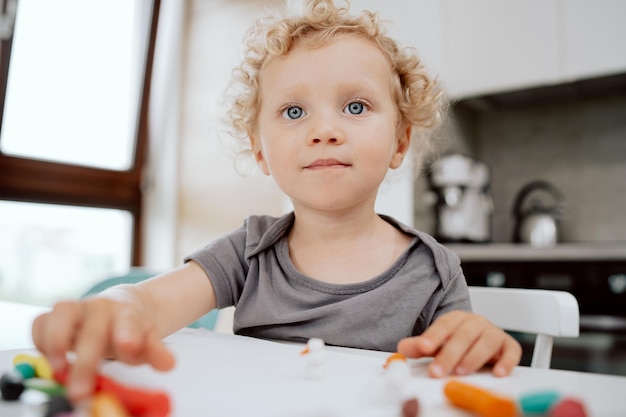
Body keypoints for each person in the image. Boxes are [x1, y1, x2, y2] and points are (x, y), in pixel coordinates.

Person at [32, 0, 521, 402]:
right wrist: (113, 309)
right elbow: (151, 303)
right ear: (261, 151)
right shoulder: (249, 252)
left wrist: (478, 341)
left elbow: (465, 352)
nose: (324, 131)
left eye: (356, 106)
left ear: (399, 141)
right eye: (293, 111)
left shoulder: (434, 270)